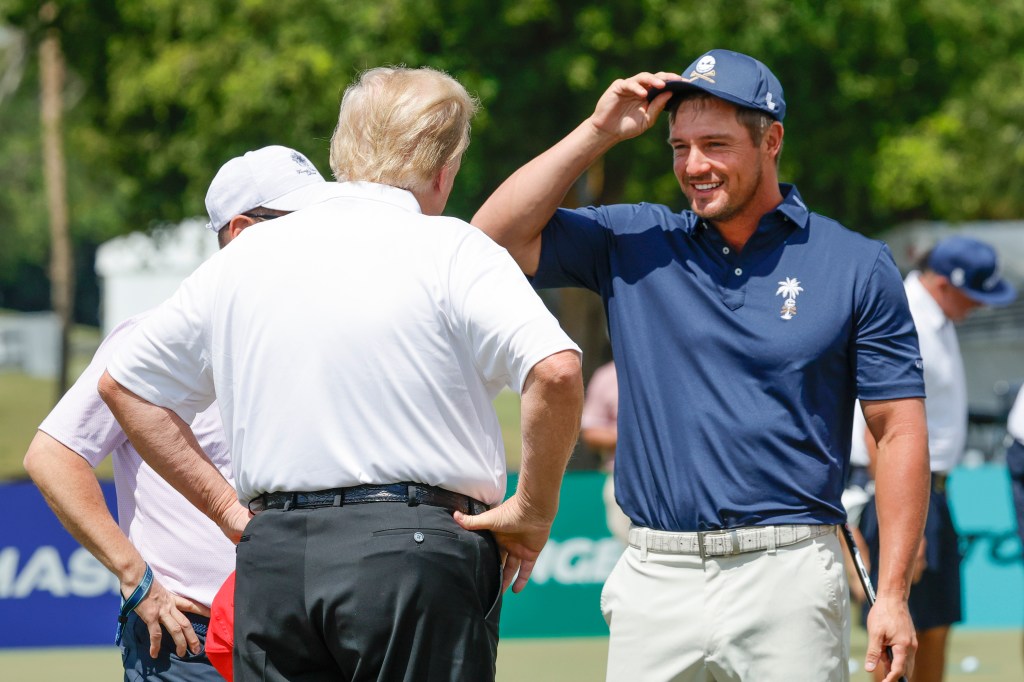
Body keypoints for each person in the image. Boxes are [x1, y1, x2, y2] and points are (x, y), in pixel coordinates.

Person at [98, 66, 583, 682]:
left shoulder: (246, 257)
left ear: (340, 150)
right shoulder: (450, 246)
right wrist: (535, 509)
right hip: (413, 552)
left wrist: (228, 511)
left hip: (275, 556)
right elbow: (558, 370)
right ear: (445, 170)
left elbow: (126, 384)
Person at [472, 49, 929, 682]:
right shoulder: (631, 239)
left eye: (715, 144)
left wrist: (894, 591)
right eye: (679, 146)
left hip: (790, 573)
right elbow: (491, 237)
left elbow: (897, 429)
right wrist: (598, 133)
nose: (694, 166)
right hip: (655, 573)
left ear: (772, 140)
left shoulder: (856, 263)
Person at [22, 144, 333, 680]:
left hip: (305, 636)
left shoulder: (321, 337)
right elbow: (52, 457)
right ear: (242, 232)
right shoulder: (150, 339)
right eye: (303, 224)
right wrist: (135, 576)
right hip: (189, 646)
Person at [856, 236, 1017, 682]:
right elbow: (880, 424)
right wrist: (903, 523)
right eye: (975, 295)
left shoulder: (934, 318)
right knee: (898, 637)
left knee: (936, 626)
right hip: (907, 493)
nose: (981, 307)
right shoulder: (907, 317)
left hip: (933, 493)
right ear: (945, 284)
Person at [580, 360, 630, 543]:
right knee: (630, 548)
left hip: (682, 476)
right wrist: (636, 436)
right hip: (624, 477)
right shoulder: (608, 375)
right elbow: (591, 431)